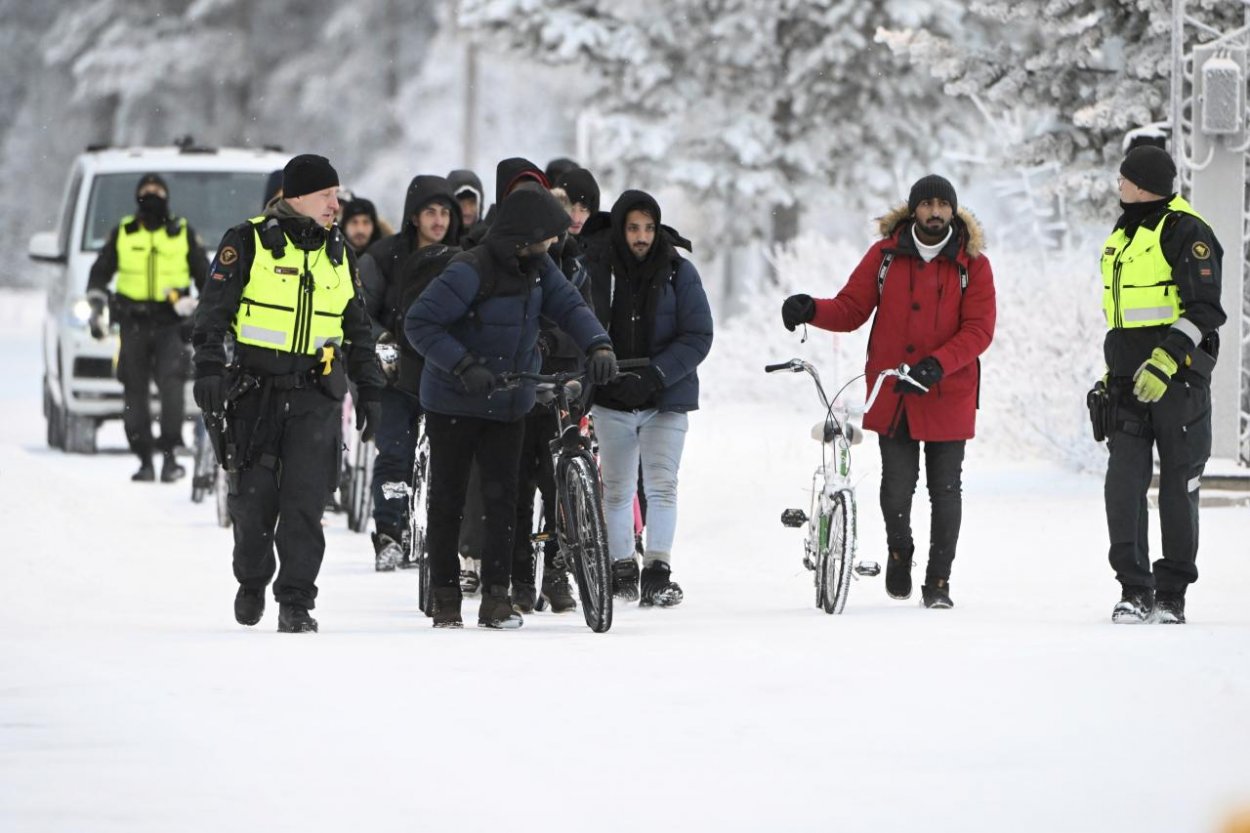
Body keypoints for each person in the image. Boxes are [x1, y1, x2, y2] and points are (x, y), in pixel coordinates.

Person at [405, 188, 616, 629]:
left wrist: (598, 344)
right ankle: (445, 596)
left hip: (508, 400)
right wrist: (463, 364)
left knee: (503, 500)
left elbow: (572, 308)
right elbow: (420, 323)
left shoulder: (539, 269)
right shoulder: (469, 269)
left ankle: (497, 598)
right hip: (454, 400)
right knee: (449, 499)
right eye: (547, 238)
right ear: (524, 236)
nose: (553, 246)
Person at [781, 175, 996, 609]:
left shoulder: (973, 265)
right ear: (913, 210)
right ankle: (901, 552)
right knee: (897, 487)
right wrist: (812, 308)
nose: (935, 212)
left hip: (948, 391)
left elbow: (979, 330)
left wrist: (938, 364)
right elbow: (851, 308)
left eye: (943, 205)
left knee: (945, 489)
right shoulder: (884, 257)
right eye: (927, 204)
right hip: (894, 390)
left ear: (953, 211)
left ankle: (938, 582)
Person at [191, 154, 385, 633]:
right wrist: (210, 369)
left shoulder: (340, 253)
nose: (335, 205)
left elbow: (358, 330)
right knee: (253, 502)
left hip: (315, 394)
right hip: (254, 391)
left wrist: (372, 389)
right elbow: (212, 313)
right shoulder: (247, 241)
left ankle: (296, 600)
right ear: (296, 196)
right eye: (326, 196)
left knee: (305, 502)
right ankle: (253, 578)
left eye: (336, 196)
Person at [1096, 145, 1224, 624]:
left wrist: (1166, 359)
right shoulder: (1127, 231)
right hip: (1129, 382)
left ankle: (1171, 593)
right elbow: (1124, 318)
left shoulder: (1188, 231)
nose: (1119, 185)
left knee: (1177, 485)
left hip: (1180, 382)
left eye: (1124, 178)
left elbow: (1205, 309)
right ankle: (1134, 588)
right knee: (1123, 486)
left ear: (1143, 183)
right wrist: (1114, 370)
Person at [587, 190, 713, 608]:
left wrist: (657, 375)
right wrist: (604, 370)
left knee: (662, 487)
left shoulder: (680, 272)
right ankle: (622, 565)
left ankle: (658, 569)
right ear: (620, 229)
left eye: (648, 228)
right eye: (633, 227)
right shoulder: (597, 269)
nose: (641, 237)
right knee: (618, 490)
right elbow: (581, 321)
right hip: (612, 395)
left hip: (666, 398)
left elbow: (698, 335)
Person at [359, 176, 462, 570]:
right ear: (414, 216)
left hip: (446, 375)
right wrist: (380, 339)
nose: (438, 221)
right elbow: (357, 312)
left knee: (450, 463)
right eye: (430, 212)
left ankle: (441, 536)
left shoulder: (465, 258)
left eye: (445, 213)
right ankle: (389, 530)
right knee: (395, 455)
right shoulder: (384, 258)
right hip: (395, 375)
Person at [508, 182, 596, 614]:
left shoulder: (578, 267)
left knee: (559, 484)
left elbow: (585, 318)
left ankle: (557, 570)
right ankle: (520, 575)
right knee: (521, 482)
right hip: (525, 381)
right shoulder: (522, 263)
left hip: (567, 382)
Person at [87, 173, 209, 482]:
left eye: (158, 191)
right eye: (147, 190)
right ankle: (143, 459)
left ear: (167, 197)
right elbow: (99, 273)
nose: (152, 195)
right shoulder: (124, 232)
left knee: (172, 389)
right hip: (133, 322)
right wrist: (97, 305)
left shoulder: (182, 232)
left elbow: (205, 277)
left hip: (171, 323)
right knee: (134, 391)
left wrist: (199, 311)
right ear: (137, 196)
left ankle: (169, 456)